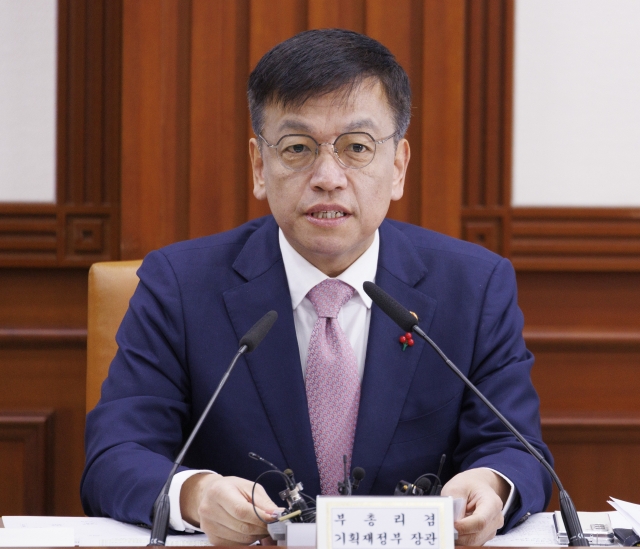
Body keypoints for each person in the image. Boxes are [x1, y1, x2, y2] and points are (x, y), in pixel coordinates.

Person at [81, 28, 552, 546]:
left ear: (397, 166)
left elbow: (517, 451)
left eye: (356, 147)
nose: (328, 176)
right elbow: (116, 457)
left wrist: (489, 484)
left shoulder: (475, 285)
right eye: (298, 147)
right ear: (260, 166)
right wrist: (195, 494)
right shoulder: (179, 286)